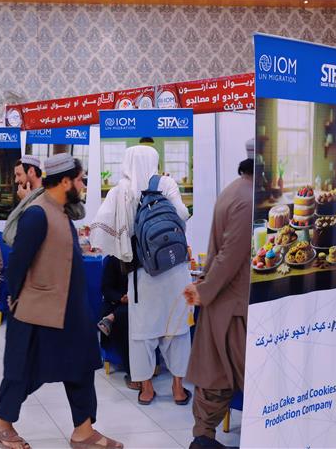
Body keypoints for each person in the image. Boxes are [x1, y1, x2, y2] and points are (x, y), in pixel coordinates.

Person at [0, 154, 123, 449]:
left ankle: (83, 431)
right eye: (80, 179)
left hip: (69, 312)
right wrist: (17, 302)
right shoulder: (37, 214)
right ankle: (1, 424)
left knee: (81, 366)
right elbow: (17, 264)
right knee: (23, 371)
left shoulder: (60, 211)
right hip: (38, 312)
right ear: (64, 181)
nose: (83, 184)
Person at [90, 145, 191, 407]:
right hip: (174, 270)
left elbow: (101, 233)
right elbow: (183, 215)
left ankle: (146, 389)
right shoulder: (166, 183)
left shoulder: (120, 191)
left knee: (142, 333)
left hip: (143, 275)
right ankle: (178, 389)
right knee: (177, 330)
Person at [183, 141, 254, 449]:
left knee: (215, 376)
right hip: (234, 303)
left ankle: (203, 438)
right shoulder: (249, 199)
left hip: (220, 299)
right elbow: (231, 254)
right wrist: (206, 291)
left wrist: (205, 289)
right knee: (249, 374)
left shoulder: (233, 190)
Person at [98, 255, 135, 390]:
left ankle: (110, 318)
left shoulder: (143, 258)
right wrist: (121, 298)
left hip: (139, 303)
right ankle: (133, 373)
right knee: (124, 316)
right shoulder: (113, 259)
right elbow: (106, 289)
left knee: (125, 314)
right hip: (117, 303)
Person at [3, 155, 44, 245]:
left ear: (31, 171)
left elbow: (36, 226)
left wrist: (26, 200)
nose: (16, 180)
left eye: (19, 175)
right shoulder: (26, 194)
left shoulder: (47, 196)